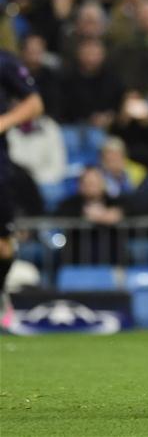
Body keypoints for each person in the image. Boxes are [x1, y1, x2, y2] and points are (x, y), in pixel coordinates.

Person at [0, 49, 44, 328]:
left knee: (3, 249)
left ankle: (0, 291)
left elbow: (35, 103)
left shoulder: (3, 62)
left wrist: (2, 122)